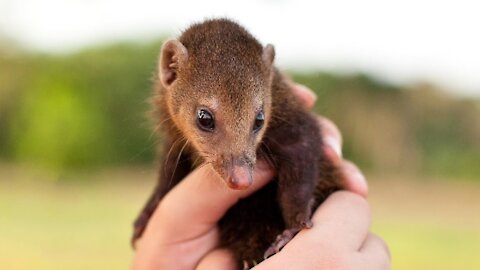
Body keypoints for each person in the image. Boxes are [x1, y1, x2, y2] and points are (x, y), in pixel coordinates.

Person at [132, 84, 391, 270]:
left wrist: (296, 216)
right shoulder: (176, 112)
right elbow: (176, 151)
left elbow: (304, 134)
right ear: (171, 70)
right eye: (206, 119)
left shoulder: (272, 99)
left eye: (256, 121)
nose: (241, 177)